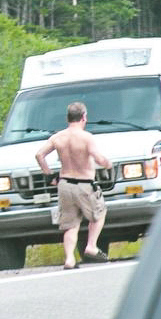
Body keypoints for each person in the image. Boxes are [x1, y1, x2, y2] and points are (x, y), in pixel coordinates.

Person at [35, 101, 113, 269]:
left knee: (70, 224)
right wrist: (107, 163)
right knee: (99, 213)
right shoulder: (86, 137)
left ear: (67, 118)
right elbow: (97, 157)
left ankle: (69, 258)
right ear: (84, 117)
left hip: (64, 184)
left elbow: (39, 155)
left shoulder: (58, 137)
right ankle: (91, 246)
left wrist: (49, 175)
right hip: (84, 183)